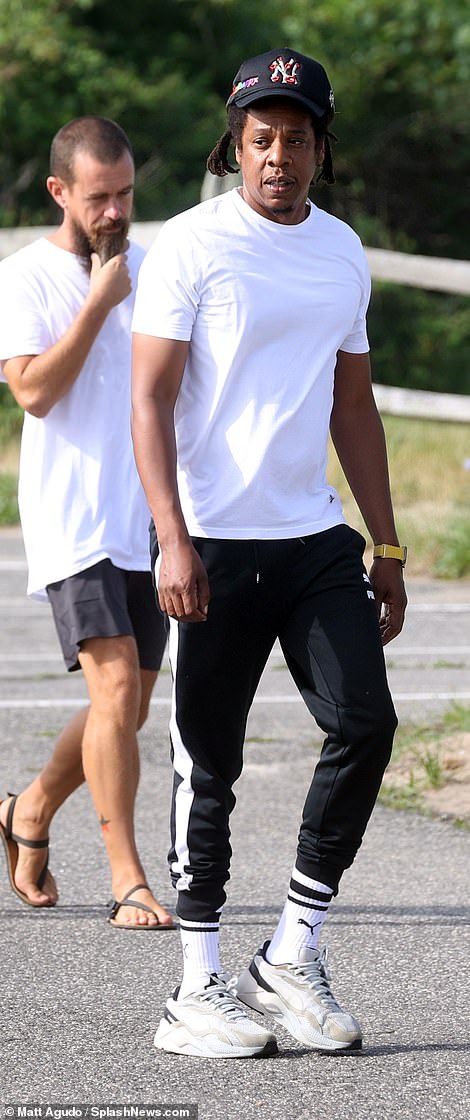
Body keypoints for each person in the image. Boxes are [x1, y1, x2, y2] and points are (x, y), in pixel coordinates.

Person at [131, 47, 407, 1052]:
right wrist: (170, 539)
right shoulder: (190, 245)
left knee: (365, 722)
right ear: (235, 146)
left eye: (295, 139)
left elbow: (352, 405)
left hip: (312, 538)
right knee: (208, 764)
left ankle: (290, 950)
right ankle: (194, 987)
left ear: (319, 150)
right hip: (210, 539)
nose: (277, 156)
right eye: (260, 139)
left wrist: (387, 543)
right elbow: (148, 398)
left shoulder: (341, 251)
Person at [0, 116, 175, 930]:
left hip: (147, 517)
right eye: (99, 197)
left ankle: (29, 808)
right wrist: (100, 304)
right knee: (114, 691)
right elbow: (34, 391)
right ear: (59, 192)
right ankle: (128, 879)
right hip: (73, 516)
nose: (114, 212)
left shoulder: (153, 268)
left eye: (126, 195)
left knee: (128, 708)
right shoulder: (24, 276)